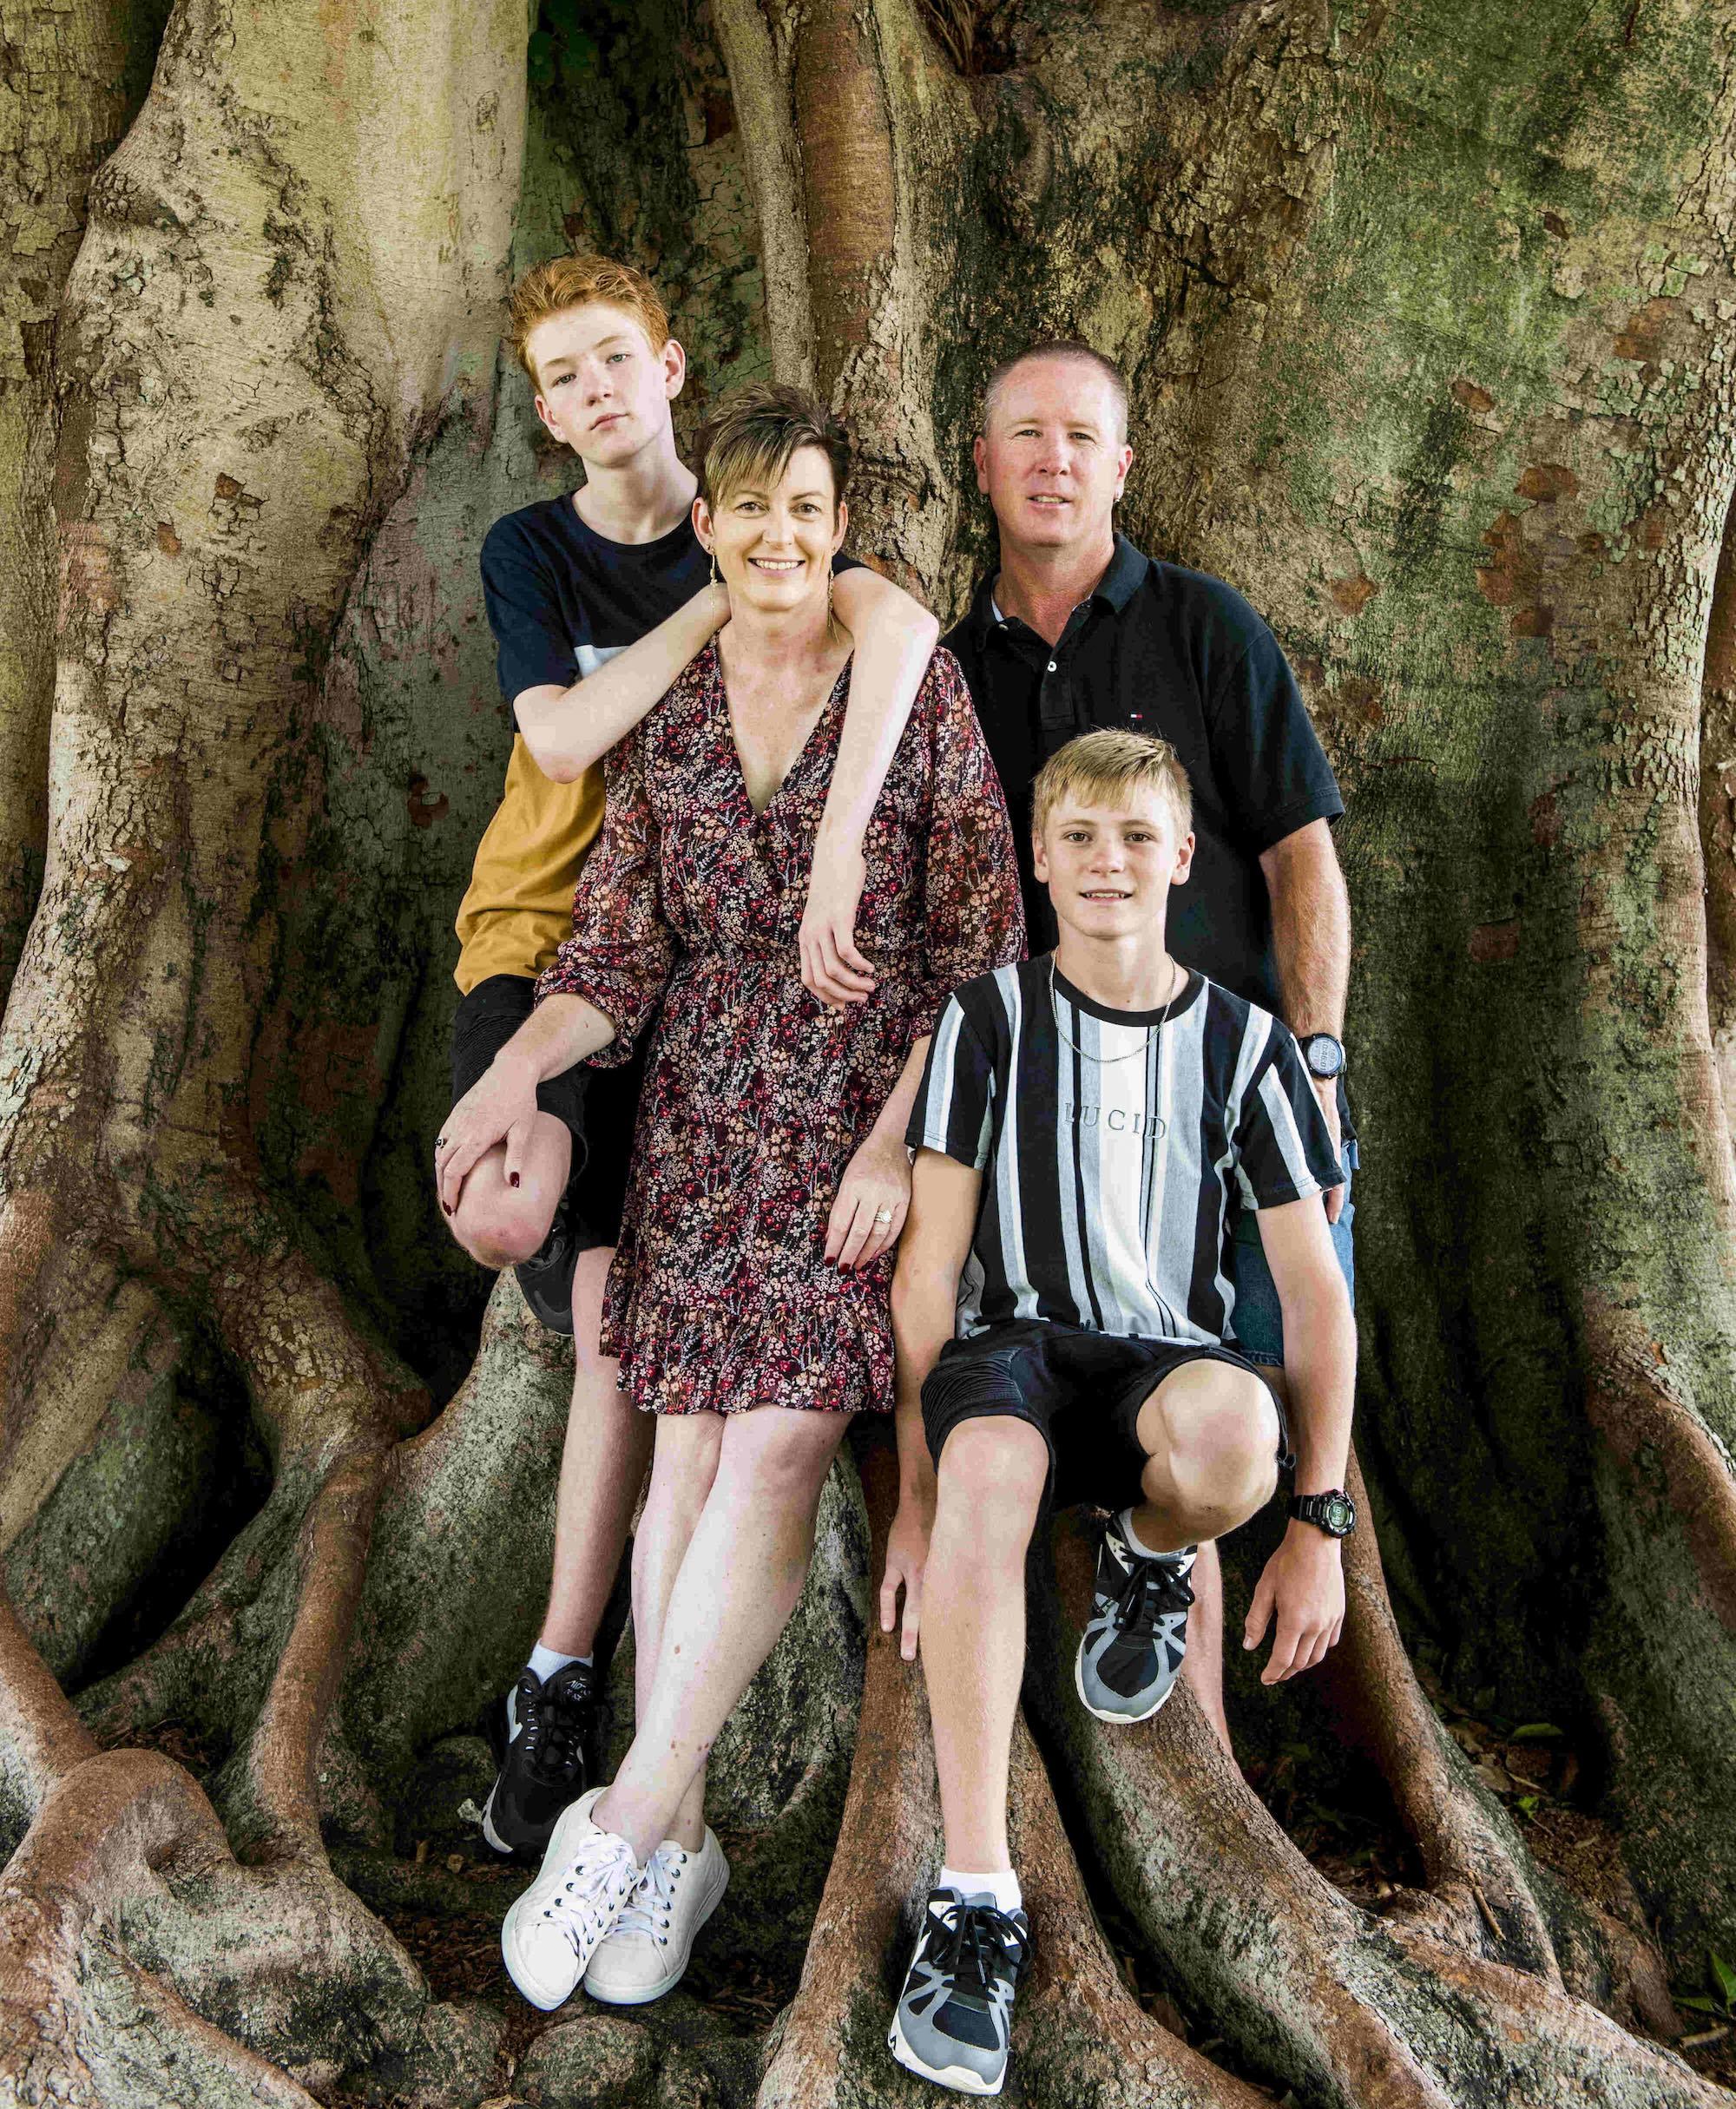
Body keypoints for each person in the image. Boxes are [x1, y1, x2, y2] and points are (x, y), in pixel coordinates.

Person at [437, 384, 1023, 2012]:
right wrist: (508, 1076)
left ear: (844, 531)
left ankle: (618, 1820)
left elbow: (984, 951)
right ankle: (678, 1834)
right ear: (709, 528)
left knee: (774, 1439)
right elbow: (618, 950)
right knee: (679, 1466)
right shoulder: (681, 708)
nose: (778, 534)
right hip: (700, 1125)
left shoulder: (919, 695)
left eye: (808, 511)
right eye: (750, 508)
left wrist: (899, 1143)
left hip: (853, 1119)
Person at [880, 729, 1356, 2096]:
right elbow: (929, 1267)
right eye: (1080, 836)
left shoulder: (1249, 1045)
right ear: (1038, 854)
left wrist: (1318, 1518)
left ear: (1183, 858)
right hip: (1016, 1354)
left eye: (1138, 837)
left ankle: (1152, 1557)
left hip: (1167, 1369)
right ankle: (979, 1897)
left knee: (1235, 1441)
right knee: (984, 1474)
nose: (1108, 863)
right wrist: (912, 1493)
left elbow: (1315, 1302)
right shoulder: (987, 1016)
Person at [938, 338, 1355, 1753]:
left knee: (1242, 1409)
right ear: (981, 464)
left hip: (1233, 1107)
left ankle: (1190, 1714)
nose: (1054, 458)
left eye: (1084, 436)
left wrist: (1318, 1070)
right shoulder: (946, 673)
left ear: (1123, 464)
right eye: (1025, 434)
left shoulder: (1203, 627)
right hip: (1038, 1119)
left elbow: (1304, 857)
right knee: (1037, 1392)